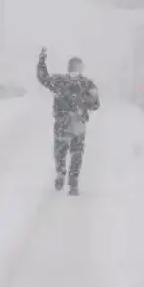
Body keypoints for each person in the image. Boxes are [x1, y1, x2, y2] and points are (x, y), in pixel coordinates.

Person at [36, 48, 101, 194]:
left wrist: (41, 62)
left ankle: (65, 177)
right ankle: (70, 181)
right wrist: (86, 103)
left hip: (67, 123)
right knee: (73, 153)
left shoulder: (63, 82)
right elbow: (96, 104)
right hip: (73, 124)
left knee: (65, 152)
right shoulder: (84, 83)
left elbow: (44, 79)